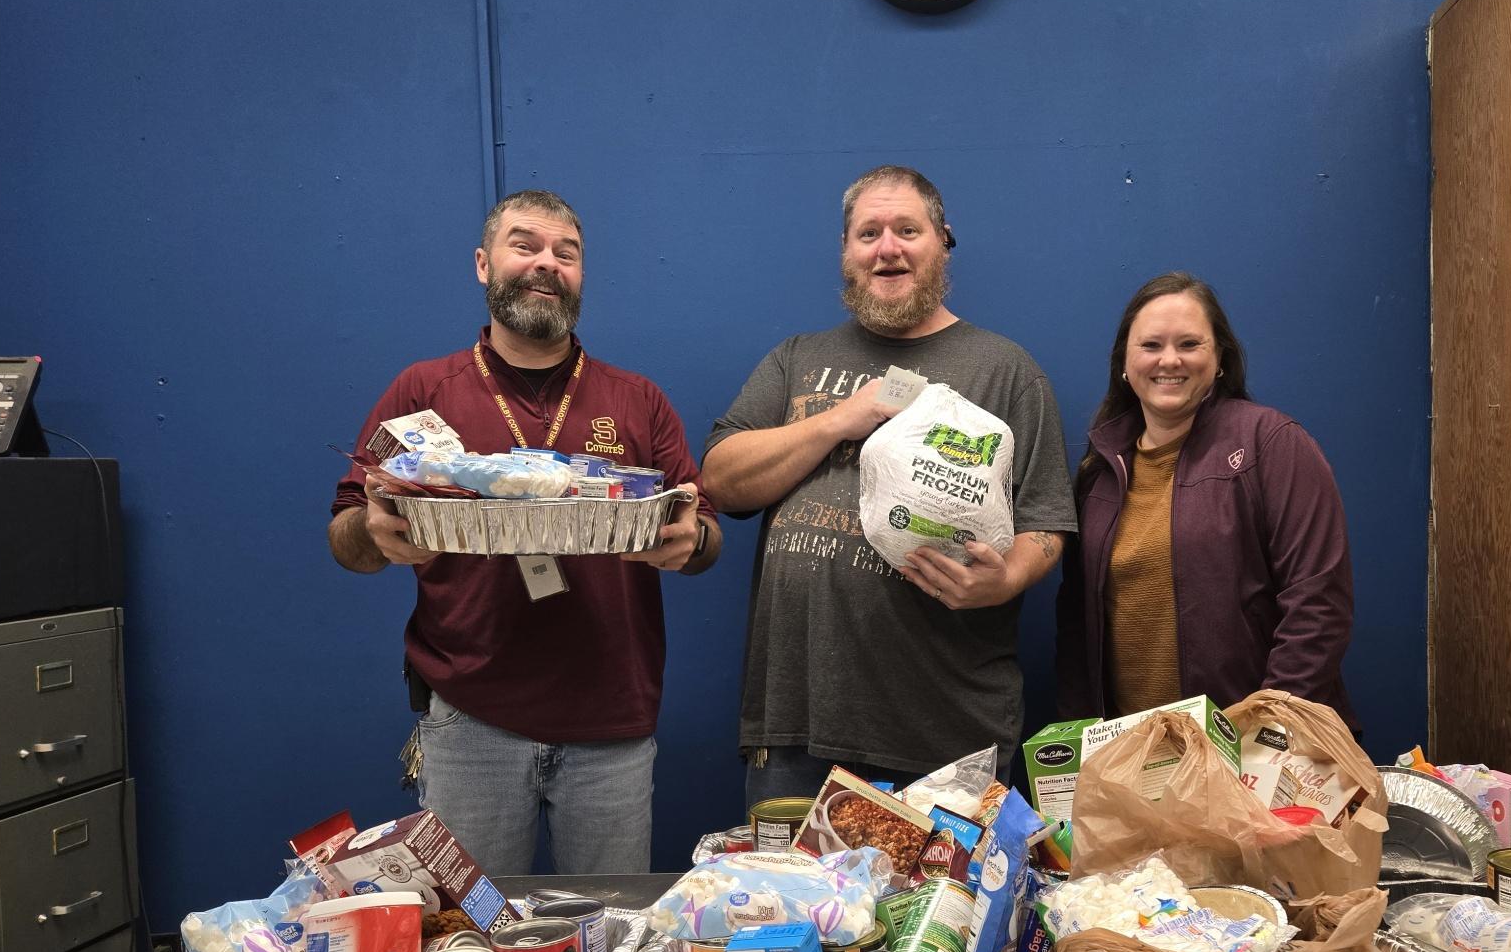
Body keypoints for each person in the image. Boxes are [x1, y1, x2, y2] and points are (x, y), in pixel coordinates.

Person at [329, 189, 722, 875]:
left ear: (581, 276)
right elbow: (345, 535)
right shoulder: (423, 392)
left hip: (613, 722)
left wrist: (693, 544)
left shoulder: (638, 399)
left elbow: (704, 532)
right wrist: (372, 531)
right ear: (484, 264)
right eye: (526, 245)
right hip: (469, 721)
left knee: (606, 939)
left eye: (565, 254)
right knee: (472, 944)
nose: (547, 264)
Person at [703, 166, 1076, 807]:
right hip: (797, 731)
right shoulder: (796, 358)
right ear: (847, 252)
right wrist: (842, 418)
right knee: (799, 910)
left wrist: (1007, 579)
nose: (888, 247)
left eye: (908, 229)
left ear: (942, 242)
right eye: (867, 232)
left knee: (945, 913)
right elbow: (722, 478)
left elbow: (1046, 523)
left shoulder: (1007, 370)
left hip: (946, 736)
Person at [1055, 271, 1357, 729]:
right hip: (1135, 755)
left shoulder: (1270, 442)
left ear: (1219, 359)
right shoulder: (1099, 473)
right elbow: (1077, 626)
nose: (1169, 360)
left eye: (1190, 344)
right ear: (1124, 362)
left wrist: (1265, 735)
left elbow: (1319, 603)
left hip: (1255, 752)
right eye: (1151, 345)